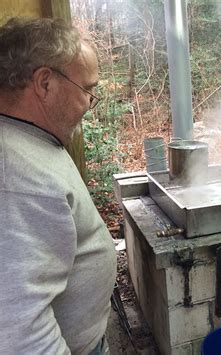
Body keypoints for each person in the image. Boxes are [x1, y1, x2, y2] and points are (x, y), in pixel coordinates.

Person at [0, 18, 116, 354]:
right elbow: (20, 331)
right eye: (87, 90)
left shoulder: (28, 138)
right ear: (45, 83)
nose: (89, 104)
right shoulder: (15, 177)